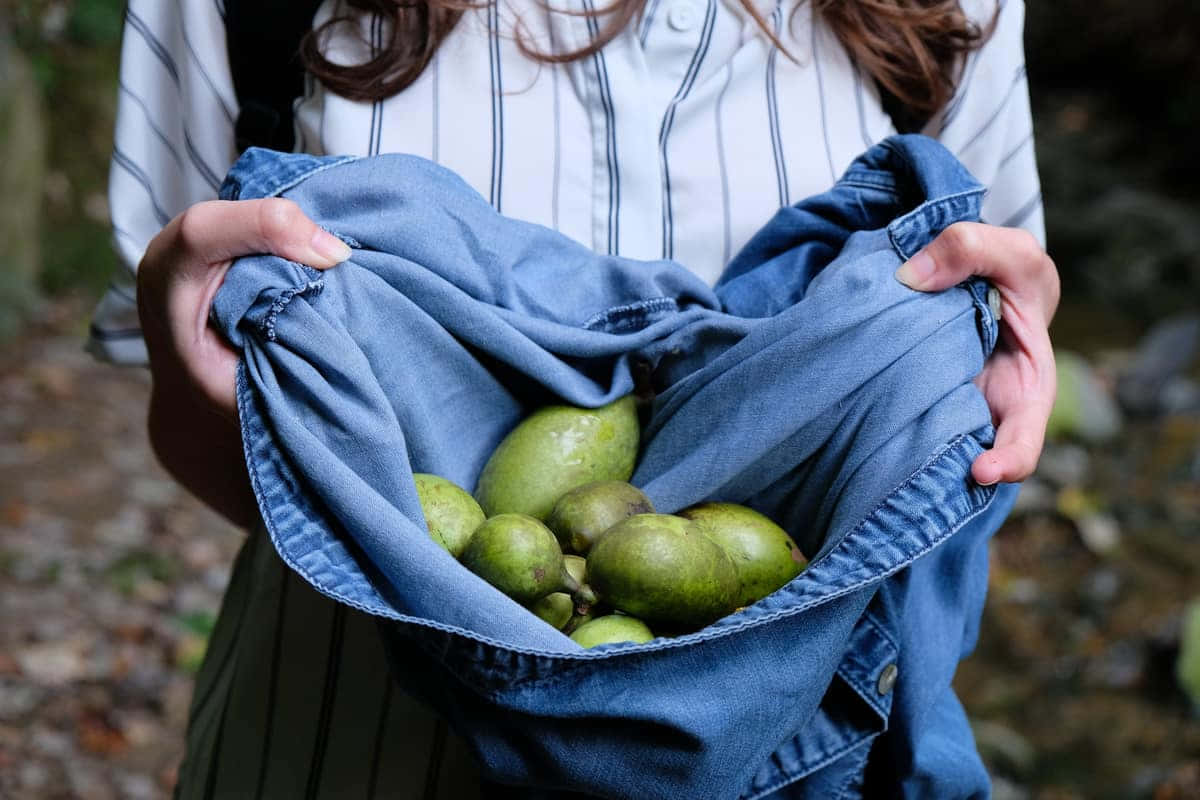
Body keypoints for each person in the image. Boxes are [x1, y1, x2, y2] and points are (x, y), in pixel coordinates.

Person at [91, 0, 1059, 796]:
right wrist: (193, 351)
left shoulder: (951, 10)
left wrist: (983, 346)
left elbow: (971, 388)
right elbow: (196, 434)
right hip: (342, 743)